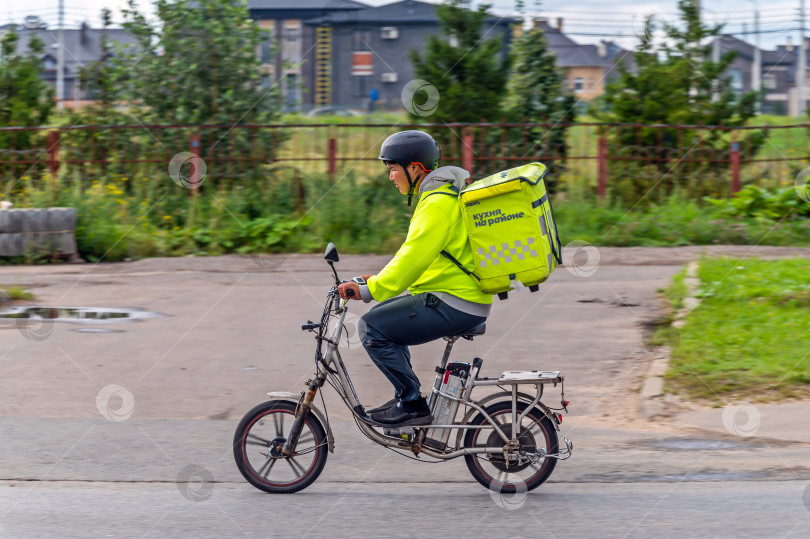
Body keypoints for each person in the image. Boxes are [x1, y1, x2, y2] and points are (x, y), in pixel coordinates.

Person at [337, 130, 492, 427]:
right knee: (387, 319)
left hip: (456, 301)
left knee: (372, 327)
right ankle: (405, 399)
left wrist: (371, 290)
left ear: (415, 168)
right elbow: (422, 259)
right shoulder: (439, 197)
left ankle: (412, 405)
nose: (390, 177)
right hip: (456, 296)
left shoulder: (436, 203)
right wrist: (377, 280)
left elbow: (412, 257)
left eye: (393, 169)